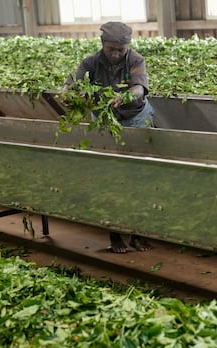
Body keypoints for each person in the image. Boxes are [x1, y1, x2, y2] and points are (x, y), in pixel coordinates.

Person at [62, 21, 153, 253]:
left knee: (138, 176)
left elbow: (139, 88)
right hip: (105, 120)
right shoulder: (91, 63)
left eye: (119, 50)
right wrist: (69, 93)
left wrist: (125, 97)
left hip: (135, 118)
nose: (115, 54)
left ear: (127, 47)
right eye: (111, 49)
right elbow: (71, 83)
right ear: (102, 44)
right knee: (111, 176)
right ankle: (114, 235)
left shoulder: (135, 60)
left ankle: (138, 233)